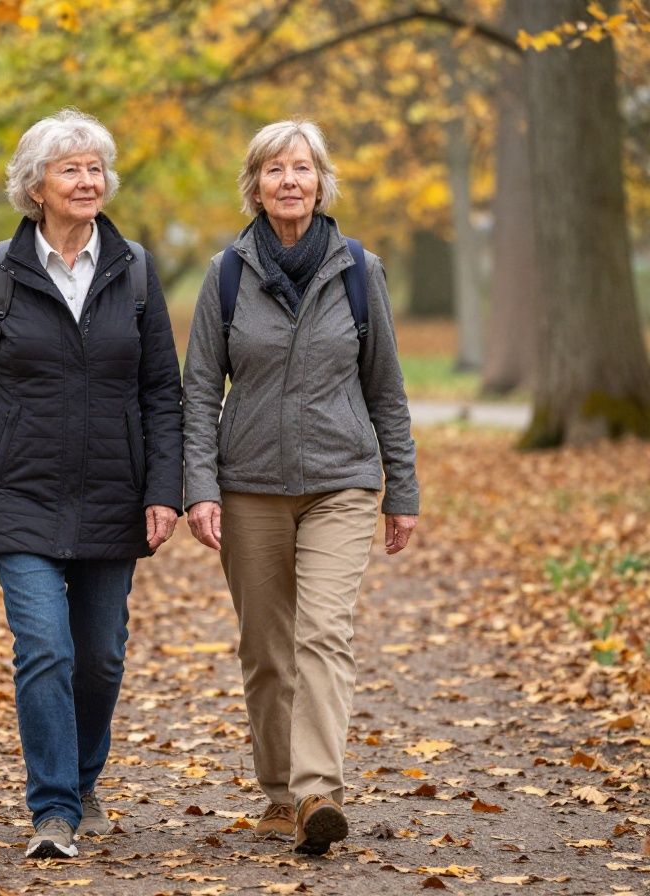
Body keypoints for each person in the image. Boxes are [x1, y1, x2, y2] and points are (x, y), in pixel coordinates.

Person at [0, 109, 183, 860]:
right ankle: (53, 809)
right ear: (35, 184)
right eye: (70, 168)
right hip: (18, 490)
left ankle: (82, 778)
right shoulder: (0, 272)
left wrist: (163, 489)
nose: (87, 180)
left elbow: (162, 390)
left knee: (100, 654)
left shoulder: (134, 269)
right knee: (43, 647)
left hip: (114, 489)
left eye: (95, 168)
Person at [182, 119, 419, 856]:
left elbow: (386, 388)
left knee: (323, 633)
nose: (291, 180)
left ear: (322, 182)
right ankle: (280, 792)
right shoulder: (226, 274)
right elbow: (196, 392)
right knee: (265, 647)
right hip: (248, 484)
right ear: (255, 186)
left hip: (340, 483)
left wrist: (400, 488)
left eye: (303, 168)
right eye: (276, 169)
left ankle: (320, 790)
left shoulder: (358, 270)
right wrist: (199, 486)